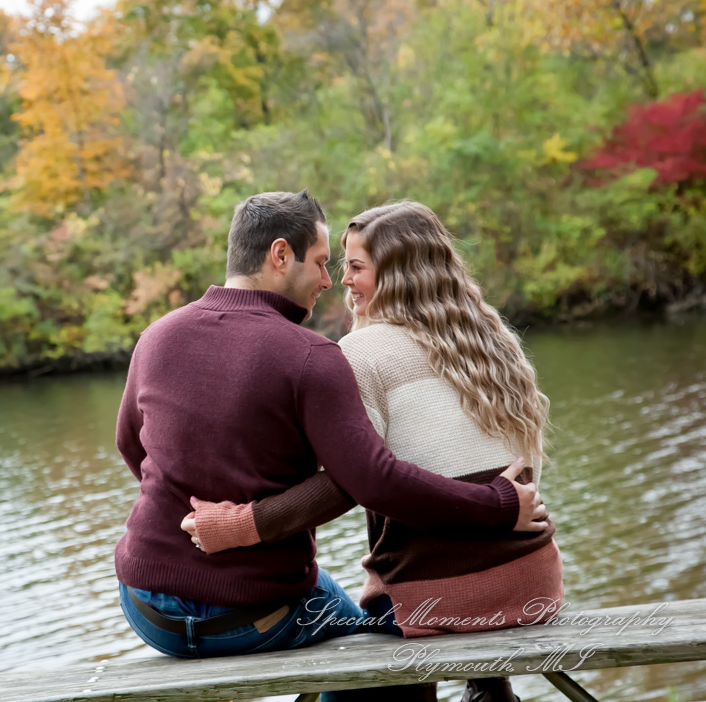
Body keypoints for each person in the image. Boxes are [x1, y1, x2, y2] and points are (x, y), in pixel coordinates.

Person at [114, 190, 548, 662]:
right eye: (322, 262)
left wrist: (187, 500)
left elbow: (129, 445)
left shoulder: (155, 337)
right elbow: (366, 479)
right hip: (257, 615)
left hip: (144, 606)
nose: (329, 279)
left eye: (344, 265)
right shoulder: (313, 356)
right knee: (374, 663)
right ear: (280, 255)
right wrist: (495, 504)